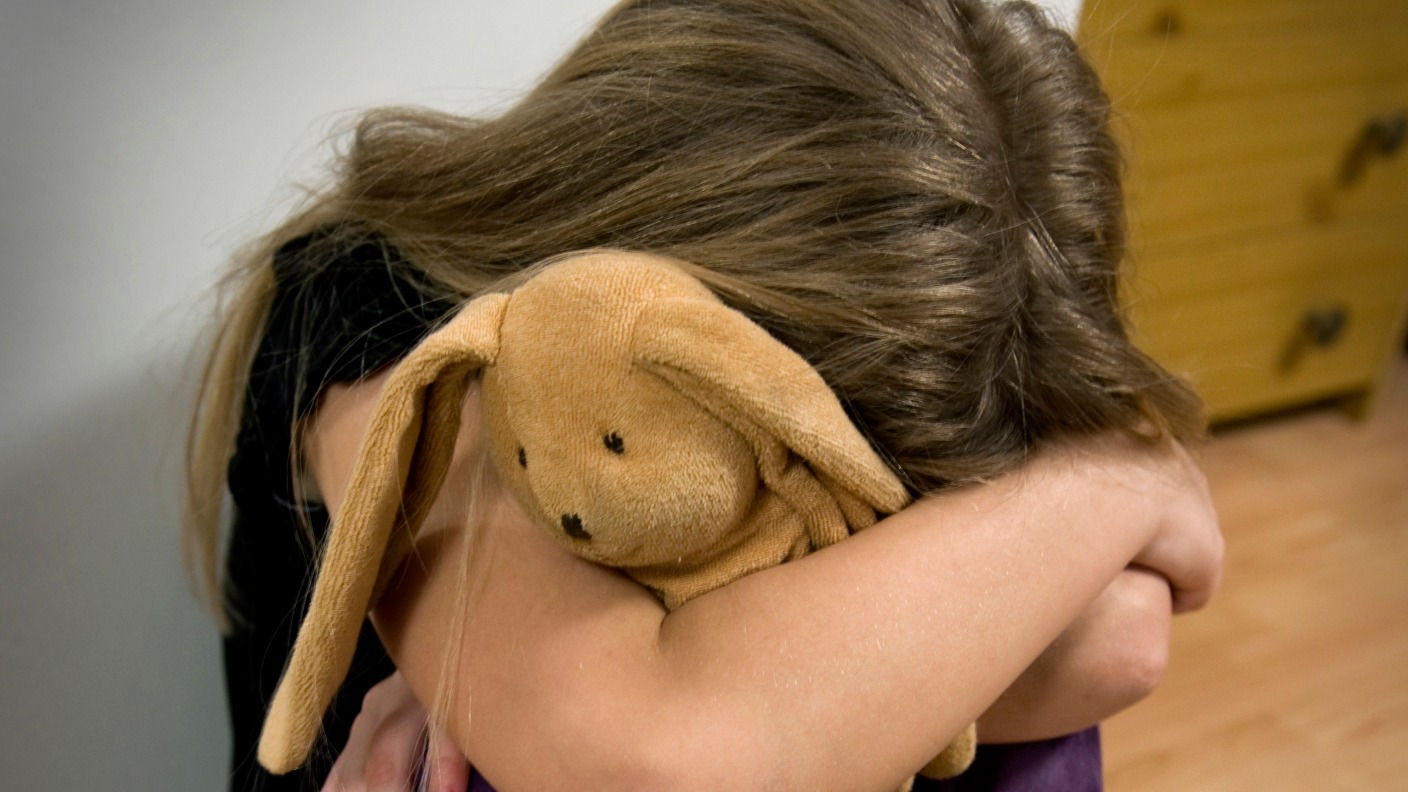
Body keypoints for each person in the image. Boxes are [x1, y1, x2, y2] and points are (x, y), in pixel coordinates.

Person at [183, 1, 1223, 790]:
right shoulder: (375, 310)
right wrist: (1110, 484)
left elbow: (1121, 639)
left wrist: (761, 683)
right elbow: (659, 761)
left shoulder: (965, 334)